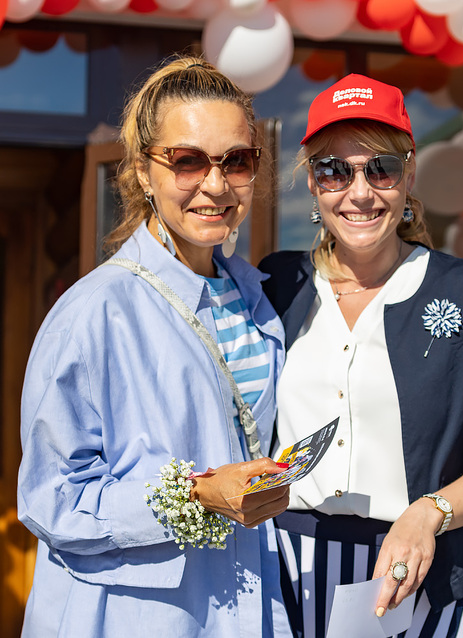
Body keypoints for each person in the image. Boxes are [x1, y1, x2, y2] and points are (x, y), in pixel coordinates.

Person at [17, 55, 293, 638]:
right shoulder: (95, 311)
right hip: (134, 616)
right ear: (145, 172)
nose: (215, 186)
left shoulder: (256, 299)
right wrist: (196, 497)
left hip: (246, 606)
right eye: (187, 161)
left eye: (236, 162)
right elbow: (52, 498)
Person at [259, 74, 463, 638]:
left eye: (380, 168)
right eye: (335, 170)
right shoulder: (274, 283)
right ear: (312, 183)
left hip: (423, 573)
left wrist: (427, 514)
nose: (358, 192)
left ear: (409, 173)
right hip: (282, 571)